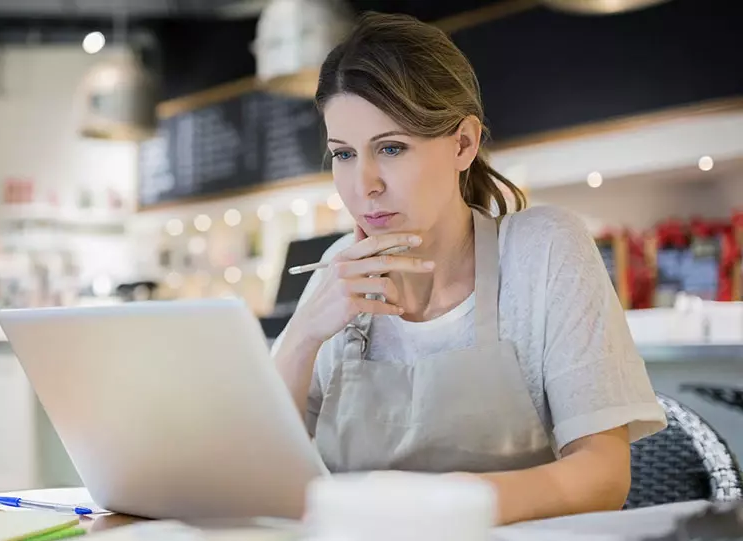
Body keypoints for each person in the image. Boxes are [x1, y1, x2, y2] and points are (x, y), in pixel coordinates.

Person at [271, 12, 667, 526]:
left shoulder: (543, 252)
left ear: (464, 144)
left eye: (390, 148)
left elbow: (604, 476)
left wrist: (447, 507)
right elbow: (263, 476)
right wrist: (302, 336)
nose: (362, 184)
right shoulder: (335, 272)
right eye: (343, 154)